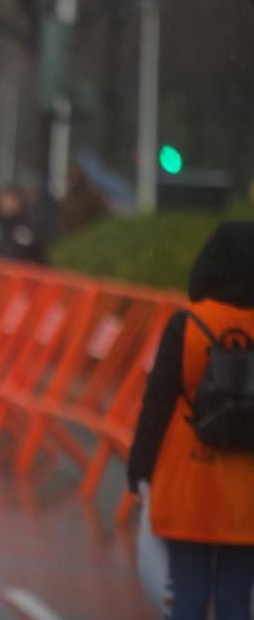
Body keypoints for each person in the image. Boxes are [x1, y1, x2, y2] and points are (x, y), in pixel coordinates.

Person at [127, 221, 254, 620]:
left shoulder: (188, 324)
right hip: (246, 490)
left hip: (188, 481)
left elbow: (157, 405)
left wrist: (140, 467)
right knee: (237, 600)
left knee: (189, 595)